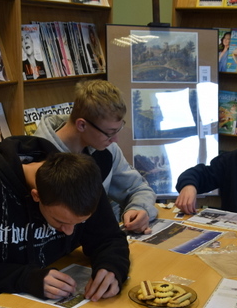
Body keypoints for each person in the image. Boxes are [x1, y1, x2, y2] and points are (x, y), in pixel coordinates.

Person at [0, 135, 130, 308]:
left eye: (79, 223)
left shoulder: (81, 182)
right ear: (36, 196)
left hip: (53, 303)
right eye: (61, 222)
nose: (70, 232)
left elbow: (109, 237)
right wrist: (26, 278)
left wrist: (111, 266)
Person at [32, 79, 158, 234]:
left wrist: (139, 209)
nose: (115, 140)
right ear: (82, 125)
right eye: (109, 133)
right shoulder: (37, 157)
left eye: (118, 130)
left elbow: (138, 188)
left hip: (100, 243)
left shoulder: (107, 148)